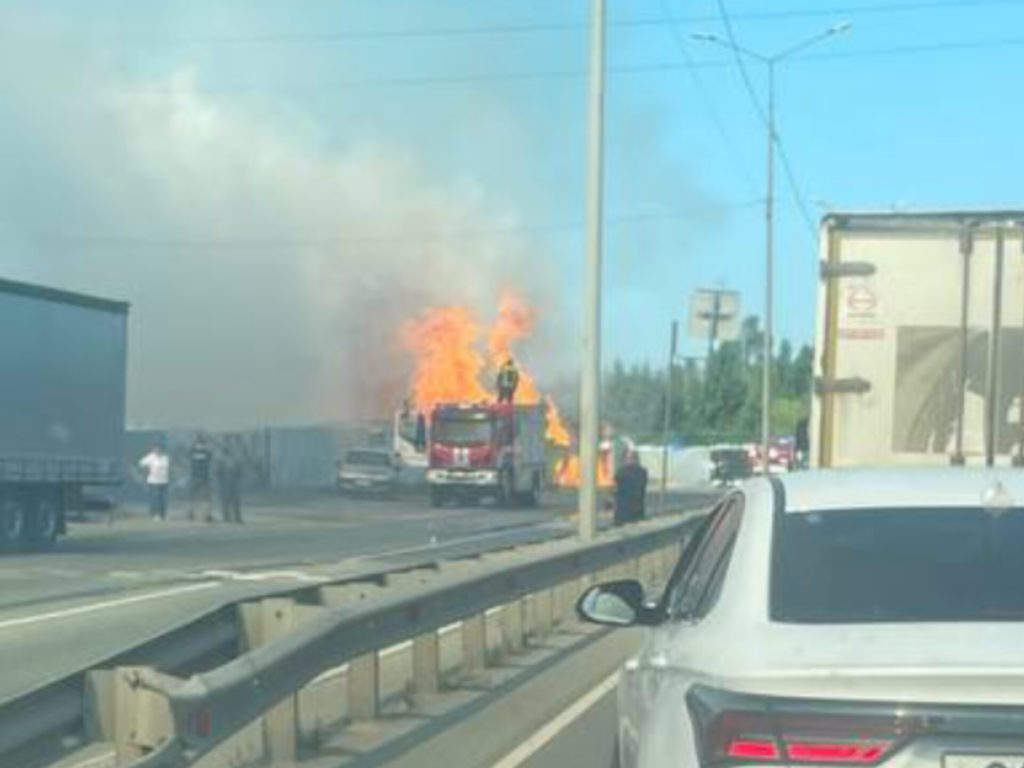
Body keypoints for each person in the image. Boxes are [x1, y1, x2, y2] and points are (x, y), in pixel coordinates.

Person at [613, 451, 649, 526]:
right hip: (623, 510)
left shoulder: (641, 472)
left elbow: (642, 488)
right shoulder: (621, 472)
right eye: (628, 458)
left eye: (631, 458)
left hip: (635, 509)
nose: (629, 460)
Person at [138, 443, 171, 520]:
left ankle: (163, 515)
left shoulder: (165, 458)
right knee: (155, 499)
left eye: (159, 449)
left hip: (164, 481)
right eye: (156, 449)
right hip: (154, 482)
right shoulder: (150, 457)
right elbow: (141, 463)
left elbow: (168, 468)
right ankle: (155, 515)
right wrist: (146, 472)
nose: (158, 450)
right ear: (154, 449)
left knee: (163, 499)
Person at [215, 437, 244, 524]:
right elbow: (217, 471)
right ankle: (226, 517)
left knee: (236, 500)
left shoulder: (236, 457)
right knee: (225, 500)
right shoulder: (220, 458)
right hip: (225, 482)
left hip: (234, 482)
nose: (228, 448)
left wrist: (237, 477)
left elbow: (240, 469)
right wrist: (221, 480)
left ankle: (237, 517)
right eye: (226, 447)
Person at [188, 433, 214, 522]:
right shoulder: (204, 452)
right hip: (197, 477)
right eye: (200, 444)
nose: (200, 445)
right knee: (194, 497)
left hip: (203, 477)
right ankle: (192, 513)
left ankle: (207, 515)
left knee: (206, 498)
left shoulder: (194, 452)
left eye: (201, 444)